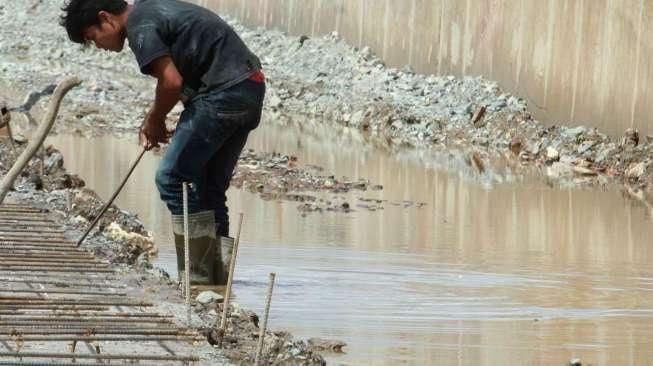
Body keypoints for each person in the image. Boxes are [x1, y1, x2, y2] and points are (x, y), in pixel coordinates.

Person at [60, 0, 265, 285]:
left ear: (106, 19)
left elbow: (171, 81)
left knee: (170, 178)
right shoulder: (151, 11)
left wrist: (155, 120)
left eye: (93, 38)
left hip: (222, 94)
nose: (99, 46)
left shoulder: (140, 26)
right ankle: (217, 285)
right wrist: (156, 118)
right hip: (248, 87)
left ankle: (200, 278)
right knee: (209, 190)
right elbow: (185, 74)